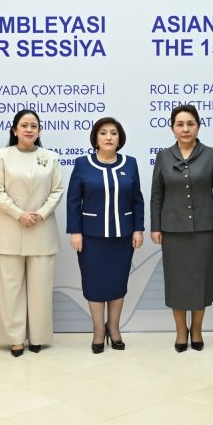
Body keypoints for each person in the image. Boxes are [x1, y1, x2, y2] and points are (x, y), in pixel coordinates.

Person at [150, 105, 213, 352]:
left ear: (198, 127)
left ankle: (197, 330)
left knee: (200, 281)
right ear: (172, 128)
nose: (185, 129)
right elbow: (156, 195)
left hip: (204, 229)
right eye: (180, 124)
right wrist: (155, 226)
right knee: (177, 283)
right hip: (172, 231)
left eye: (190, 124)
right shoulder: (163, 156)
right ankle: (181, 331)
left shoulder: (211, 154)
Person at [0, 109, 64, 357]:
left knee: (41, 288)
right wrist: (19, 214)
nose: (29, 129)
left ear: (39, 130)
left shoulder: (50, 158)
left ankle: (37, 336)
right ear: (15, 130)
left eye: (33, 126)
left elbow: (57, 190)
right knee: (9, 288)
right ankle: (15, 339)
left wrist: (40, 214)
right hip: (9, 230)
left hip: (41, 230)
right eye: (24, 125)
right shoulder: (2, 156)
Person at [66, 117, 145, 353]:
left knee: (118, 283)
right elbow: (73, 201)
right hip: (91, 238)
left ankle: (114, 328)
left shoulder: (130, 163)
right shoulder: (83, 164)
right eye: (103, 133)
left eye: (113, 133)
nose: (108, 137)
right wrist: (75, 231)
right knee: (95, 284)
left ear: (120, 138)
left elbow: (137, 200)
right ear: (95, 138)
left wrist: (138, 228)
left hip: (123, 236)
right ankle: (98, 330)